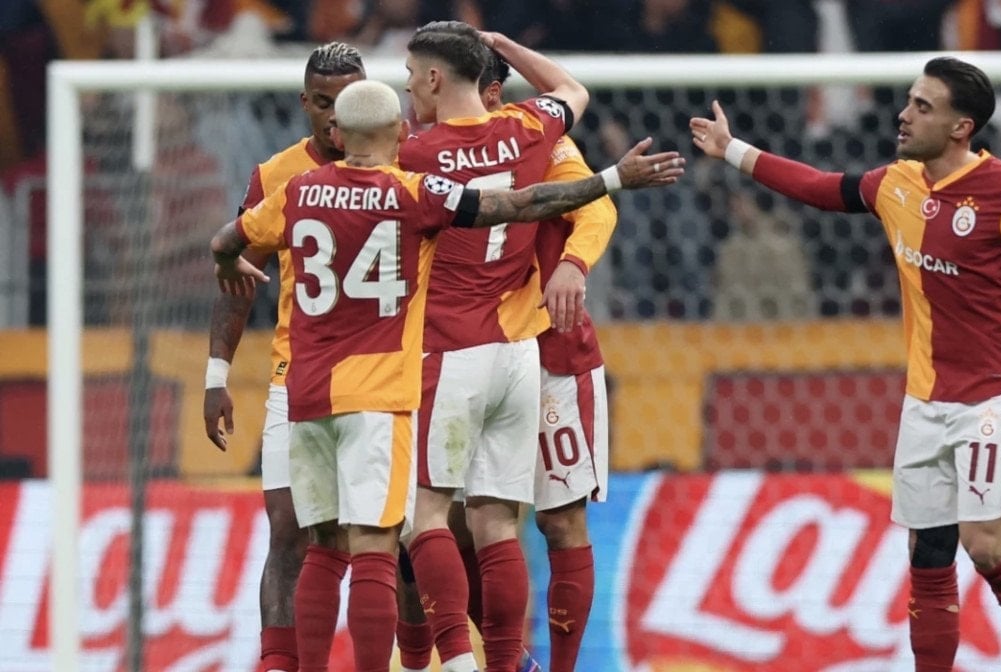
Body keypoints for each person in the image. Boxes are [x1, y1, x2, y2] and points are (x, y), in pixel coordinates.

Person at [689, 56, 1001, 672]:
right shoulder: (896, 184)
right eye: (909, 101)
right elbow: (821, 187)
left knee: (984, 547)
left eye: (922, 107)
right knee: (928, 553)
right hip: (925, 399)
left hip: (993, 397)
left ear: (961, 127)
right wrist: (732, 149)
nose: (904, 115)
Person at [211, 79, 683, 672]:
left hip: (305, 391)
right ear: (397, 133)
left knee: (323, 550)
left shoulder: (297, 190)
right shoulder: (412, 192)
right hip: (381, 392)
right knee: (379, 548)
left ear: (338, 135)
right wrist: (612, 178)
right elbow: (517, 204)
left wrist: (228, 263)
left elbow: (226, 240)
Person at [395, 21, 589, 672]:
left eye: (410, 76)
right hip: (518, 353)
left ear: (433, 78)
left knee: (423, 517)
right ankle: (505, 666)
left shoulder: (416, 155)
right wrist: (502, 46)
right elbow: (572, 88)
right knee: (497, 523)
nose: (406, 89)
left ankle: (455, 662)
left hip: (449, 349)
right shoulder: (528, 127)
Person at [201, 42, 364, 672]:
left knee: (396, 542)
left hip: (391, 377)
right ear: (304, 103)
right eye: (322, 103)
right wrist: (216, 374)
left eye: (346, 102)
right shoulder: (276, 175)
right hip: (296, 376)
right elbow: (236, 276)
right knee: (290, 532)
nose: (334, 117)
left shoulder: (404, 162)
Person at [471, 49, 617, 672]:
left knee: (560, 521)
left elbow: (598, 205)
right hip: (464, 354)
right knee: (445, 530)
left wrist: (572, 264)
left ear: (491, 94)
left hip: (552, 352)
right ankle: (510, 661)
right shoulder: (425, 150)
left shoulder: (541, 141)